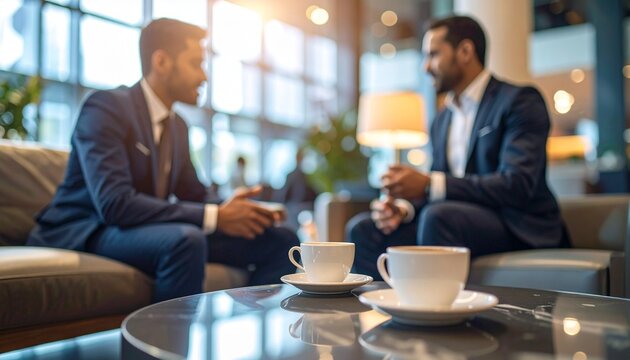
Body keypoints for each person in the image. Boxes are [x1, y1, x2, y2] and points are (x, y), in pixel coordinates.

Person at [27, 18, 299, 302]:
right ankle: (163, 346)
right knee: (184, 241)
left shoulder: (178, 126)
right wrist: (216, 217)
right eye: (196, 63)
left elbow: (194, 194)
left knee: (282, 240)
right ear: (162, 62)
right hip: (89, 228)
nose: (203, 77)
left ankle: (248, 327)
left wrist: (240, 211)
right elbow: (114, 204)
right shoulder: (106, 108)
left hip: (138, 230)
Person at [347, 16, 566, 279]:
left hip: (516, 223)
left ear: (465, 51)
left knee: (439, 216)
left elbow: (516, 184)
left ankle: (430, 314)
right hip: (456, 218)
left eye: (433, 55)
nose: (425, 66)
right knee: (363, 229)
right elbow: (439, 188)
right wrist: (403, 210)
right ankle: (383, 311)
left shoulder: (519, 101)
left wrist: (429, 184)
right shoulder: (442, 119)